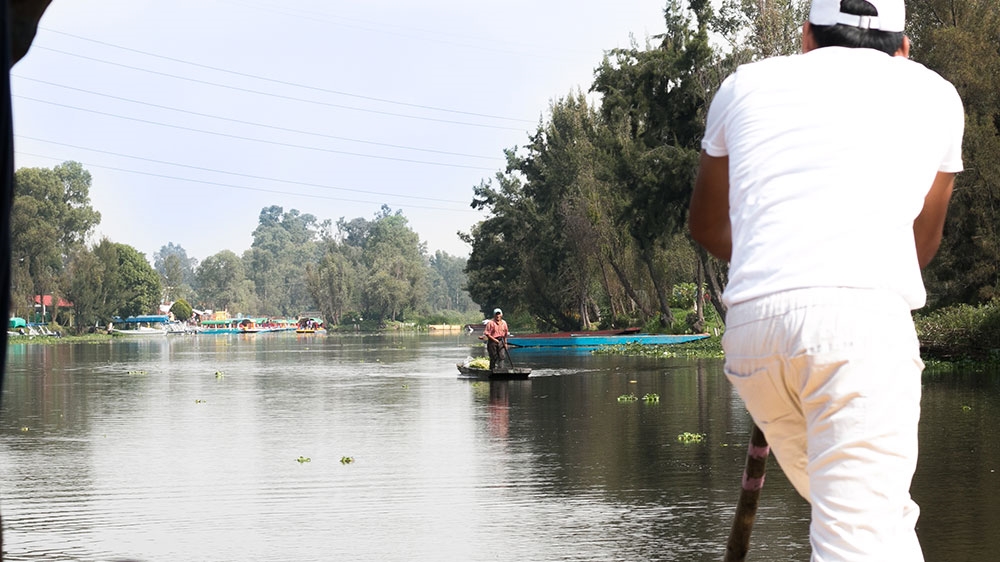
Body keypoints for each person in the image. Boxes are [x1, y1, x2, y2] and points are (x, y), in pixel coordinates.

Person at [689, 0, 964, 560]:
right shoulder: (936, 94)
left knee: (876, 525)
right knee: (861, 538)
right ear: (903, 49)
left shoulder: (744, 85)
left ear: (806, 37)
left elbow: (706, 225)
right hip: (860, 330)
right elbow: (921, 245)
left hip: (755, 333)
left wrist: (786, 263)